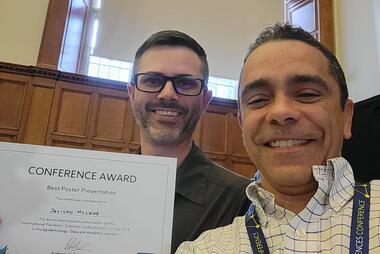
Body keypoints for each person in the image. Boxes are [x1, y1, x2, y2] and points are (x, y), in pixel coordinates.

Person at [176, 24, 380, 253]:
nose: (281, 112)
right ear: (242, 125)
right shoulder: (203, 250)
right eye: (259, 99)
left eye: (306, 94)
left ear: (346, 117)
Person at [127, 30, 251, 253]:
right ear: (132, 94)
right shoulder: (100, 190)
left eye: (185, 83)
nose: (167, 94)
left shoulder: (240, 201)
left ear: (205, 100)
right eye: (153, 80)